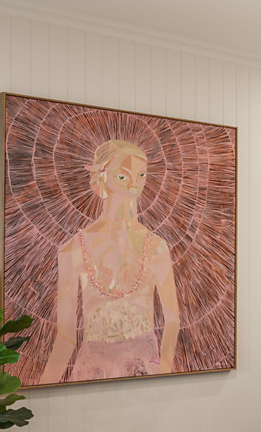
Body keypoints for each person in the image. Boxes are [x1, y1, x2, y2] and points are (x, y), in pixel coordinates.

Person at [39, 139, 180, 383]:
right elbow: (66, 337)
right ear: (102, 178)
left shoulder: (156, 247)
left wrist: (164, 376)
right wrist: (40, 389)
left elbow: (173, 321)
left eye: (141, 175)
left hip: (145, 372)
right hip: (93, 372)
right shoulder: (73, 249)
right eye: (123, 176)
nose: (134, 184)